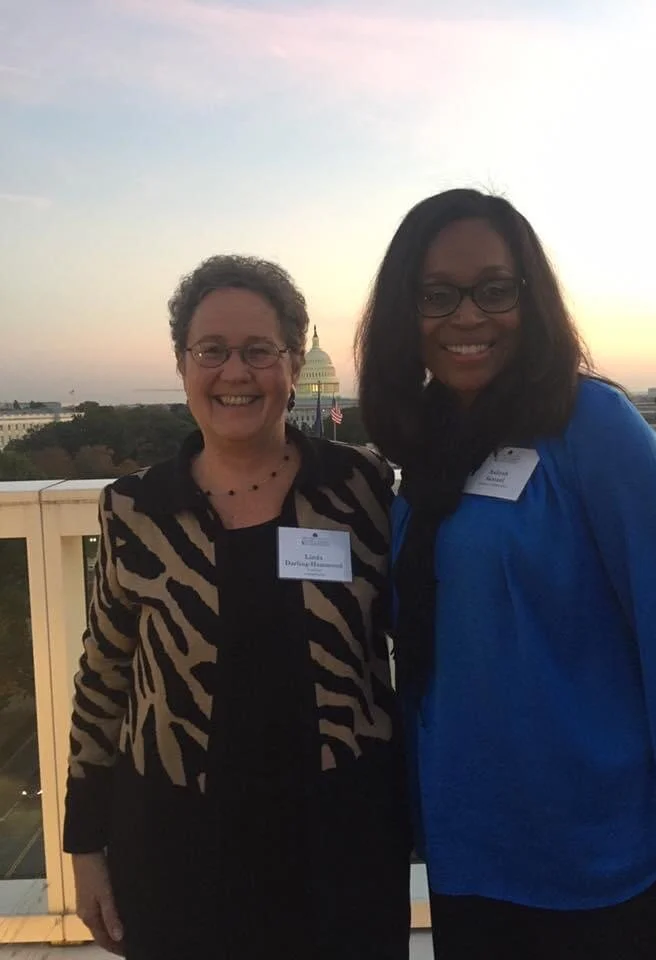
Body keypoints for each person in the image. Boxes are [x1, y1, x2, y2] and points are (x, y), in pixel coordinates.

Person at [355, 188, 656, 960]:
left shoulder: (594, 428)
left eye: (495, 289)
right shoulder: (428, 447)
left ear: (531, 299)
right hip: (471, 853)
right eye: (436, 295)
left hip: (602, 861)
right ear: (405, 311)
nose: (467, 317)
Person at [64, 255, 410, 960]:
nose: (235, 373)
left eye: (259, 351)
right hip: (175, 849)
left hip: (340, 846)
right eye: (211, 351)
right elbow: (102, 681)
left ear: (292, 363)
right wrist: (83, 845)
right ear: (183, 364)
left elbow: (422, 637)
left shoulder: (361, 488)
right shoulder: (136, 509)